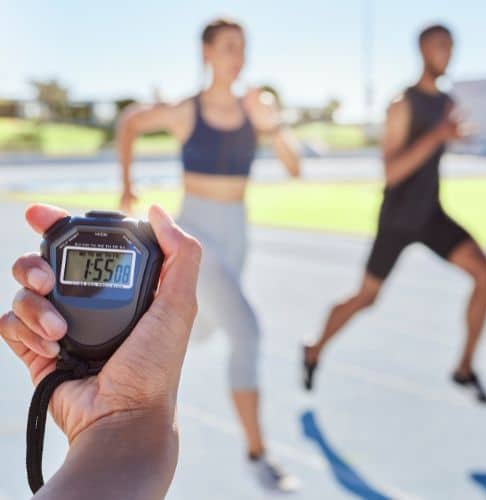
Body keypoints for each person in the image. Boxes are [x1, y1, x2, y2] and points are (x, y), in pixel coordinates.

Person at [117, 18, 301, 491]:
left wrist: (271, 121)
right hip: (195, 231)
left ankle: (140, 332)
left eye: (243, 47)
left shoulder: (256, 109)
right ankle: (258, 455)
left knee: (200, 334)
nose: (237, 56)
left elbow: (295, 167)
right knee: (246, 329)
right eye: (228, 47)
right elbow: (130, 122)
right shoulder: (186, 111)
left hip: (237, 232)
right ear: (207, 54)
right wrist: (126, 185)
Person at [303, 25, 486, 402]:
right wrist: (437, 136)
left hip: (432, 215)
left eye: (452, 47)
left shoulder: (444, 102)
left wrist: (452, 138)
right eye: (442, 46)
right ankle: (313, 349)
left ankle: (464, 368)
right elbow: (391, 172)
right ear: (424, 50)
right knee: (366, 298)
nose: (449, 54)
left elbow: (436, 146)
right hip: (398, 220)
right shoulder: (401, 104)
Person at [0, 203, 201, 499]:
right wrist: (131, 418)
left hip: (68, 348)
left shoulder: (64, 235)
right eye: (88, 267)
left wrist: (128, 417)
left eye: (109, 268)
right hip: (69, 348)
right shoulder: (139, 243)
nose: (98, 278)